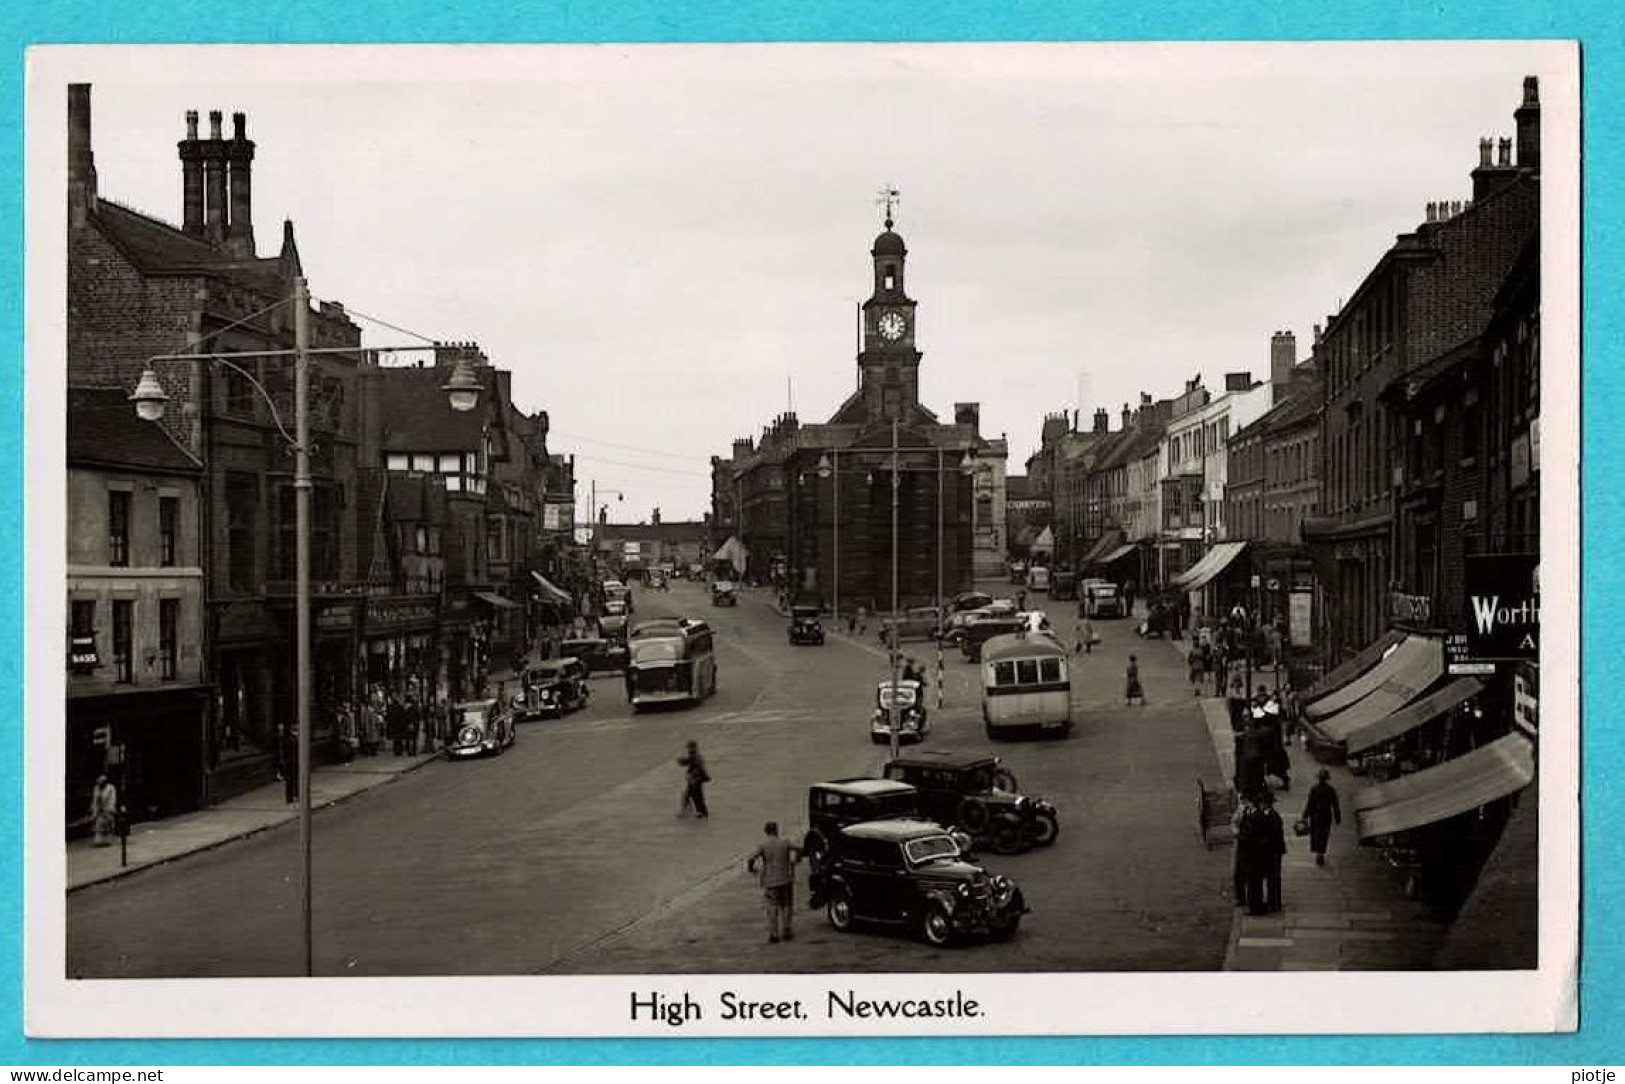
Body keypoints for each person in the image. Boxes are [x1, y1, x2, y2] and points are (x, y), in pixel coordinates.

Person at [746, 821, 802, 943]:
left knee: (772, 907)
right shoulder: (784, 842)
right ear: (776, 830)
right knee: (786, 905)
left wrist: (752, 869)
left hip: (770, 880)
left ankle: (774, 933)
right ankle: (787, 929)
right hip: (785, 878)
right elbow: (799, 848)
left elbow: (751, 858)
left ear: (766, 831)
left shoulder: (763, 845)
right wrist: (796, 860)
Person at [1301, 768, 1342, 866]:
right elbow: (1335, 805)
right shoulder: (1330, 790)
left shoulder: (1314, 789)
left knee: (1316, 834)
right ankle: (1321, 853)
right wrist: (1337, 818)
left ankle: (1318, 853)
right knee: (1324, 835)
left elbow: (1310, 803)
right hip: (1326, 815)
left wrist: (1305, 815)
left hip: (1315, 815)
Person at [677, 740, 710, 818]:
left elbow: (699, 767)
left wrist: (705, 777)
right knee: (689, 796)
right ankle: (697, 813)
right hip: (694, 780)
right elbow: (688, 762)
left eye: (690, 748)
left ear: (694, 748)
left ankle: (700, 813)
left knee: (695, 797)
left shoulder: (695, 757)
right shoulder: (695, 756)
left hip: (695, 781)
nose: (688, 749)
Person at [90, 775, 118, 847]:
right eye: (99, 782)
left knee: (109, 825)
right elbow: (95, 800)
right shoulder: (96, 788)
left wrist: (109, 809)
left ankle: (109, 840)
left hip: (108, 809)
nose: (100, 784)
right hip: (99, 809)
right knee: (99, 825)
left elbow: (112, 799)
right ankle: (99, 840)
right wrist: (94, 810)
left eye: (102, 782)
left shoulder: (111, 788)